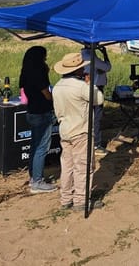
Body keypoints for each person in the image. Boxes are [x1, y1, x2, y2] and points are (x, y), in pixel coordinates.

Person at [52, 53, 105, 211]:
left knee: (67, 166)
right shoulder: (81, 87)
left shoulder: (57, 86)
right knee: (83, 166)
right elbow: (99, 99)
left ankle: (66, 198)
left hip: (65, 130)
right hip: (81, 131)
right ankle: (81, 201)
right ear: (78, 70)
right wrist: (90, 84)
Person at [19, 45, 57, 194]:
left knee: (35, 146)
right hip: (42, 112)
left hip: (32, 111)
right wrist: (55, 100)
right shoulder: (38, 72)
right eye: (44, 56)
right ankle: (37, 182)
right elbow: (46, 93)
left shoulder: (26, 72)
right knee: (42, 147)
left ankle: (33, 177)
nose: (46, 58)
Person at [81, 44, 112, 156]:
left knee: (87, 116)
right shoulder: (91, 57)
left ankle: (88, 142)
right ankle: (96, 144)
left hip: (85, 88)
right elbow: (107, 67)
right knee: (96, 116)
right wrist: (104, 53)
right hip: (95, 89)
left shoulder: (82, 55)